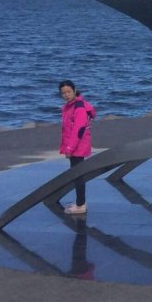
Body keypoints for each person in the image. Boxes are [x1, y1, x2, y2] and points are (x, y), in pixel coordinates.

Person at [58, 79, 96, 214]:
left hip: (77, 148)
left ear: (75, 90)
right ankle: (80, 203)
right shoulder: (70, 106)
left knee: (78, 175)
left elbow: (78, 130)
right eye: (63, 93)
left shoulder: (78, 107)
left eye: (68, 91)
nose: (66, 95)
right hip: (76, 147)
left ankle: (80, 205)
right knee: (77, 174)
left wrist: (69, 148)